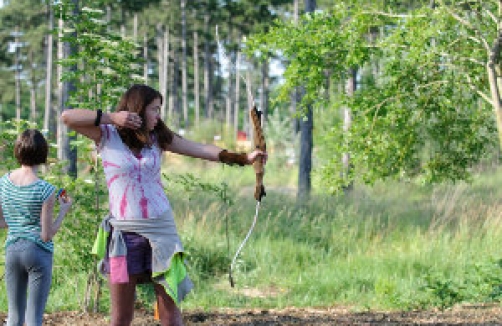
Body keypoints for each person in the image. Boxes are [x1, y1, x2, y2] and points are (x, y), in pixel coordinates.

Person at [61, 84, 267, 326]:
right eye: (154, 109)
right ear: (137, 110)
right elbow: (67, 117)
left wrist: (242, 158)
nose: (158, 115)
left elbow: (200, 149)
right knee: (120, 317)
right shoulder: (107, 134)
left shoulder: (158, 138)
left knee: (169, 313)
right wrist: (112, 117)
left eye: (159, 109)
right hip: (123, 234)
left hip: (162, 232)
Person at [0, 129, 73, 326]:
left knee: (14, 317)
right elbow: (46, 235)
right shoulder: (45, 190)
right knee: (33, 319)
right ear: (43, 154)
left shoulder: (3, 183)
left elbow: (2, 222)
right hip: (37, 253)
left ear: (18, 150)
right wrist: (63, 210)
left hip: (13, 251)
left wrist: (18, 222)